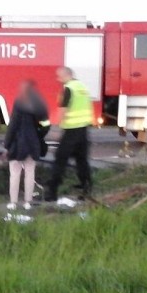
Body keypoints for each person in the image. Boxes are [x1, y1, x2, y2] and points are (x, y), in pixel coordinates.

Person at [44, 66, 94, 201]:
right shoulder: (82, 87)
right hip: (83, 130)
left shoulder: (68, 89)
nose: (57, 78)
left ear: (67, 75)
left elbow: (63, 110)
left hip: (71, 131)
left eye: (59, 76)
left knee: (60, 160)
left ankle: (52, 193)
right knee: (82, 160)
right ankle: (86, 188)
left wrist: (56, 129)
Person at [3, 80, 50, 210]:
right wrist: (39, 135)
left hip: (18, 144)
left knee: (15, 173)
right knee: (30, 172)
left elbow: (13, 125)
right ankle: (28, 202)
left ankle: (13, 202)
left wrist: (7, 144)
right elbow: (46, 125)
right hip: (33, 143)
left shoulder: (19, 102)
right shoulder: (39, 104)